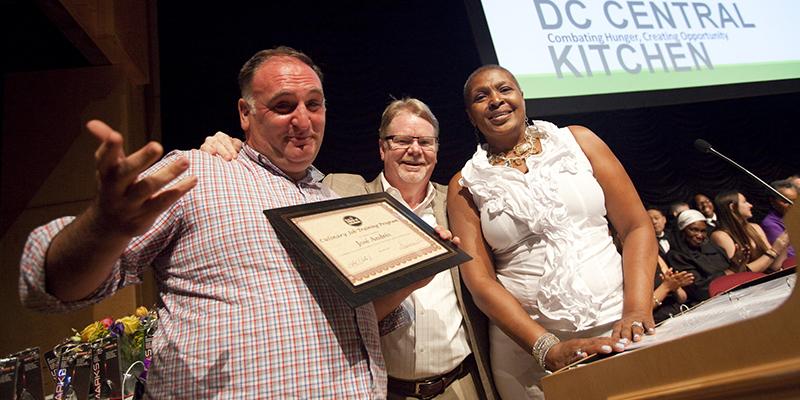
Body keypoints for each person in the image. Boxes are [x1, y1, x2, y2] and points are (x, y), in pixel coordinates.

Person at [18, 47, 444, 398]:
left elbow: (360, 315)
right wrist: (101, 227)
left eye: (314, 104)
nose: (303, 120)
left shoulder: (332, 200)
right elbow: (52, 287)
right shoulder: (197, 173)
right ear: (245, 112)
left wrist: (410, 278)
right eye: (283, 106)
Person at [201, 98, 498, 399]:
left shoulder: (457, 203)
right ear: (382, 148)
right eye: (402, 141)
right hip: (380, 389)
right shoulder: (341, 191)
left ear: (436, 149)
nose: (415, 150)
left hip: (460, 385)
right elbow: (282, 173)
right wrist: (232, 148)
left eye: (425, 142)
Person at [446, 64, 656, 399]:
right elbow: (480, 281)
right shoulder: (465, 184)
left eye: (504, 89)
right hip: (529, 358)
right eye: (481, 97)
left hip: (619, 328)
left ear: (522, 97)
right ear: (471, 116)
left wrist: (637, 310)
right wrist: (546, 348)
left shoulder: (577, 141)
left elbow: (636, 227)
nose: (496, 100)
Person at [710, 191, 790, 273]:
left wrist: (783, 244)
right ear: (732, 207)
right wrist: (774, 250)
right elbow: (740, 272)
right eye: (745, 202)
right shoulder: (721, 236)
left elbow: (775, 266)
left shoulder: (754, 227)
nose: (750, 205)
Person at [666, 210, 733, 303]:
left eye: (703, 231)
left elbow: (731, 268)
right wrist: (727, 274)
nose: (699, 235)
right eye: (694, 230)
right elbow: (699, 289)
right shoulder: (676, 256)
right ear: (682, 231)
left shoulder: (713, 248)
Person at [761, 179, 797, 260]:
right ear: (772, 202)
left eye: (795, 200)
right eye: (786, 201)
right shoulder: (770, 224)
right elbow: (790, 255)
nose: (793, 205)